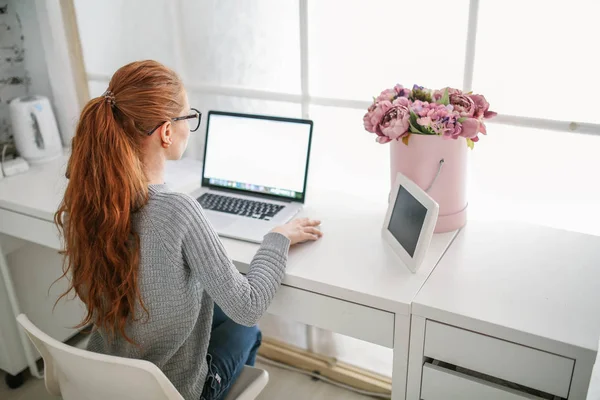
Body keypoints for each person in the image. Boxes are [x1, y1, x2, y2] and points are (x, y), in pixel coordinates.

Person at [54, 60, 322, 400]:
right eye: (188, 117)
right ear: (166, 132)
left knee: (216, 308)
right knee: (247, 328)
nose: (190, 126)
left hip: (108, 380)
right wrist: (278, 237)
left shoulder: (88, 196)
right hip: (174, 389)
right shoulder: (176, 209)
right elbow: (248, 305)